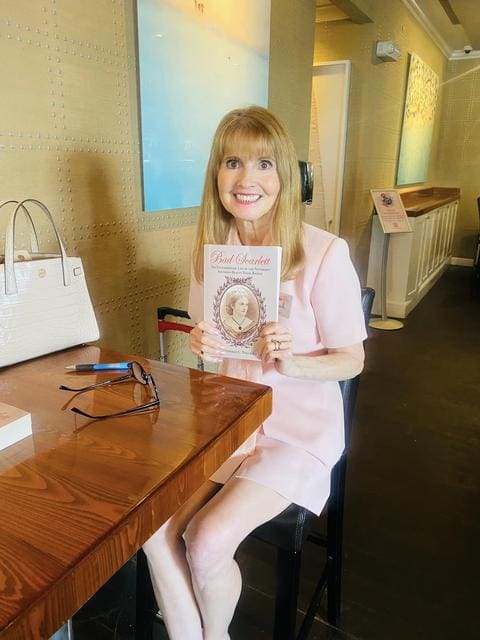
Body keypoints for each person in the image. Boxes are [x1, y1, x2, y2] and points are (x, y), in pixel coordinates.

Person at [143, 105, 367, 640]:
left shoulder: (323, 253)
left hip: (298, 429)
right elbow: (212, 339)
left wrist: (294, 362)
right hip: (229, 420)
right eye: (233, 163)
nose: (246, 180)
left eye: (264, 165)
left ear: (285, 175)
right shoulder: (212, 254)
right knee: (151, 528)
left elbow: (353, 359)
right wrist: (201, 340)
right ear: (216, 175)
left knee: (204, 540)